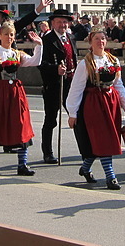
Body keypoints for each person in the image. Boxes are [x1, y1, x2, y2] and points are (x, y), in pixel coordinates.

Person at [66, 27, 125, 190]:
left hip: (111, 103)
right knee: (101, 139)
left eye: (103, 38)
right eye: (97, 38)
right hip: (94, 104)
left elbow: (118, 84)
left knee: (107, 139)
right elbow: (76, 89)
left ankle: (86, 167)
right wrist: (72, 112)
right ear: (90, 42)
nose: (100, 41)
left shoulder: (113, 60)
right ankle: (111, 177)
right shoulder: (85, 63)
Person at [0, 23, 43, 175]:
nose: (9, 37)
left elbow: (34, 61)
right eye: (6, 34)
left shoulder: (17, 53)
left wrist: (39, 45)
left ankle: (22, 164)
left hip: (15, 92)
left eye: (12, 34)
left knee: (20, 124)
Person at [38, 8, 80, 164]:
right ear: (53, 23)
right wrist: (55, 69)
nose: (63, 24)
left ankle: (84, 149)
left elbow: (74, 58)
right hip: (54, 84)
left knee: (77, 116)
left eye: (65, 21)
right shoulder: (47, 40)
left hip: (71, 83)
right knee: (50, 120)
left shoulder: (71, 37)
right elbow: (41, 64)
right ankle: (47, 152)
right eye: (59, 22)